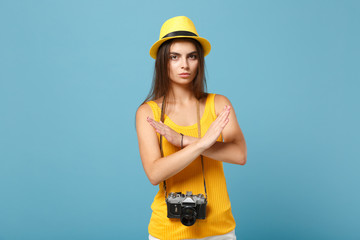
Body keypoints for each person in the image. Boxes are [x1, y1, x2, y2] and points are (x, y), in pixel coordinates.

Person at [136, 16, 247, 240]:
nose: (184, 65)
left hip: (219, 229)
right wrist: (204, 143)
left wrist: (185, 140)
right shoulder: (148, 113)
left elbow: (239, 155)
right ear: (162, 62)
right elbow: (155, 173)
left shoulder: (218, 104)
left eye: (192, 56)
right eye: (174, 57)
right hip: (167, 230)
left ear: (200, 61)